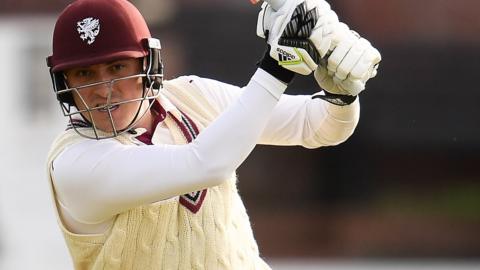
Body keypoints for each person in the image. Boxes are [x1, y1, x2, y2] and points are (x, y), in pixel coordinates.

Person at [45, 0, 380, 269]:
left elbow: (317, 126)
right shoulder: (75, 163)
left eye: (117, 67)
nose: (104, 90)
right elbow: (204, 165)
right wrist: (279, 65)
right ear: (65, 85)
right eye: (84, 73)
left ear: (147, 64)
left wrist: (342, 94)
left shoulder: (194, 95)